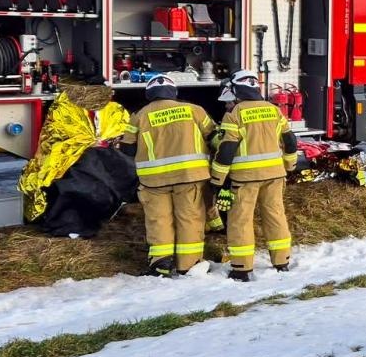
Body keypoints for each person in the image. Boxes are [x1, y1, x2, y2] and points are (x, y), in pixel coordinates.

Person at [119, 74, 216, 276]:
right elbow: (215, 138)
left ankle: (161, 263)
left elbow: (127, 148)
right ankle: (188, 265)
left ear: (149, 94)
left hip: (153, 181)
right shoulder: (194, 110)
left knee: (158, 220)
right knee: (189, 219)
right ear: (174, 92)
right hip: (190, 177)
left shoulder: (139, 115)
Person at [210, 70, 298, 281]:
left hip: (245, 178)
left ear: (237, 90)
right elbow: (290, 140)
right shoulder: (274, 110)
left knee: (240, 221)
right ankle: (282, 261)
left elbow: (227, 149)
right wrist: (290, 164)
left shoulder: (235, 114)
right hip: (275, 175)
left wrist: (216, 180)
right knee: (275, 215)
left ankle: (242, 268)